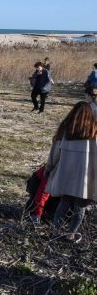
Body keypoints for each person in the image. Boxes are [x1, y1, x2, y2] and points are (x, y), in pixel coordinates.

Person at [45, 101, 97, 243]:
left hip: (66, 174)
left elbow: (55, 151)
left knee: (64, 202)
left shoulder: (66, 129)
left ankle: (54, 232)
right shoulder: (94, 131)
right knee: (80, 206)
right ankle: (71, 235)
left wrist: (49, 168)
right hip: (85, 177)